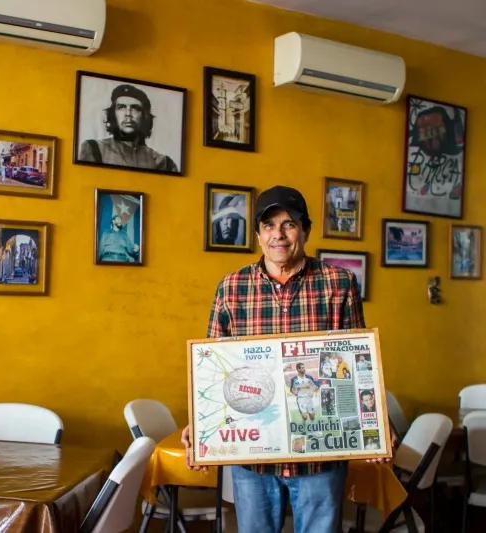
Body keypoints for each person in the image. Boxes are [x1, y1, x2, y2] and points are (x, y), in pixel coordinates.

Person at [180, 185, 386, 533]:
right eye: (269, 225)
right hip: (254, 459)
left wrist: (376, 423)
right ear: (258, 234)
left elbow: (357, 365)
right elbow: (214, 371)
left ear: (305, 230)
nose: (278, 234)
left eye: (289, 224)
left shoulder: (340, 283)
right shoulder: (231, 287)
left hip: (320, 460)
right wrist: (203, 426)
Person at [78, 84, 178, 172]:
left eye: (135, 108)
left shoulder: (163, 162)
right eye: (121, 107)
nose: (128, 114)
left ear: (144, 116)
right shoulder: (94, 150)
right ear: (113, 114)